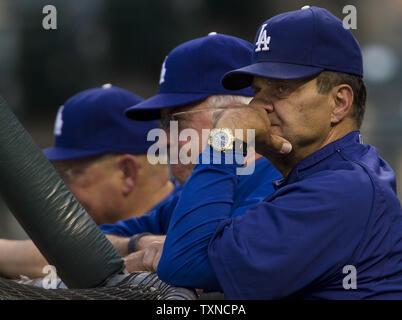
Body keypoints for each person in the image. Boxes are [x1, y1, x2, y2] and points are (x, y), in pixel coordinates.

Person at [157, 6, 402, 299]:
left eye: (281, 88)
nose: (259, 105)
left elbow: (184, 261)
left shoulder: (341, 189)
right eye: (258, 90)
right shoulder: (316, 176)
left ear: (339, 103)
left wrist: (226, 138)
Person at [100, 33, 282, 274]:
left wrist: (139, 261)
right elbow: (84, 243)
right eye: (162, 123)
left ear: (238, 115)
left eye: (175, 120)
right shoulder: (197, 190)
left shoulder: (278, 187)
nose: (163, 140)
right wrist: (138, 243)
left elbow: (196, 264)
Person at [0, 84, 178, 279]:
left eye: (68, 173)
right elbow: (66, 249)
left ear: (127, 173)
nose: (58, 190)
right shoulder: (125, 230)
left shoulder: (197, 212)